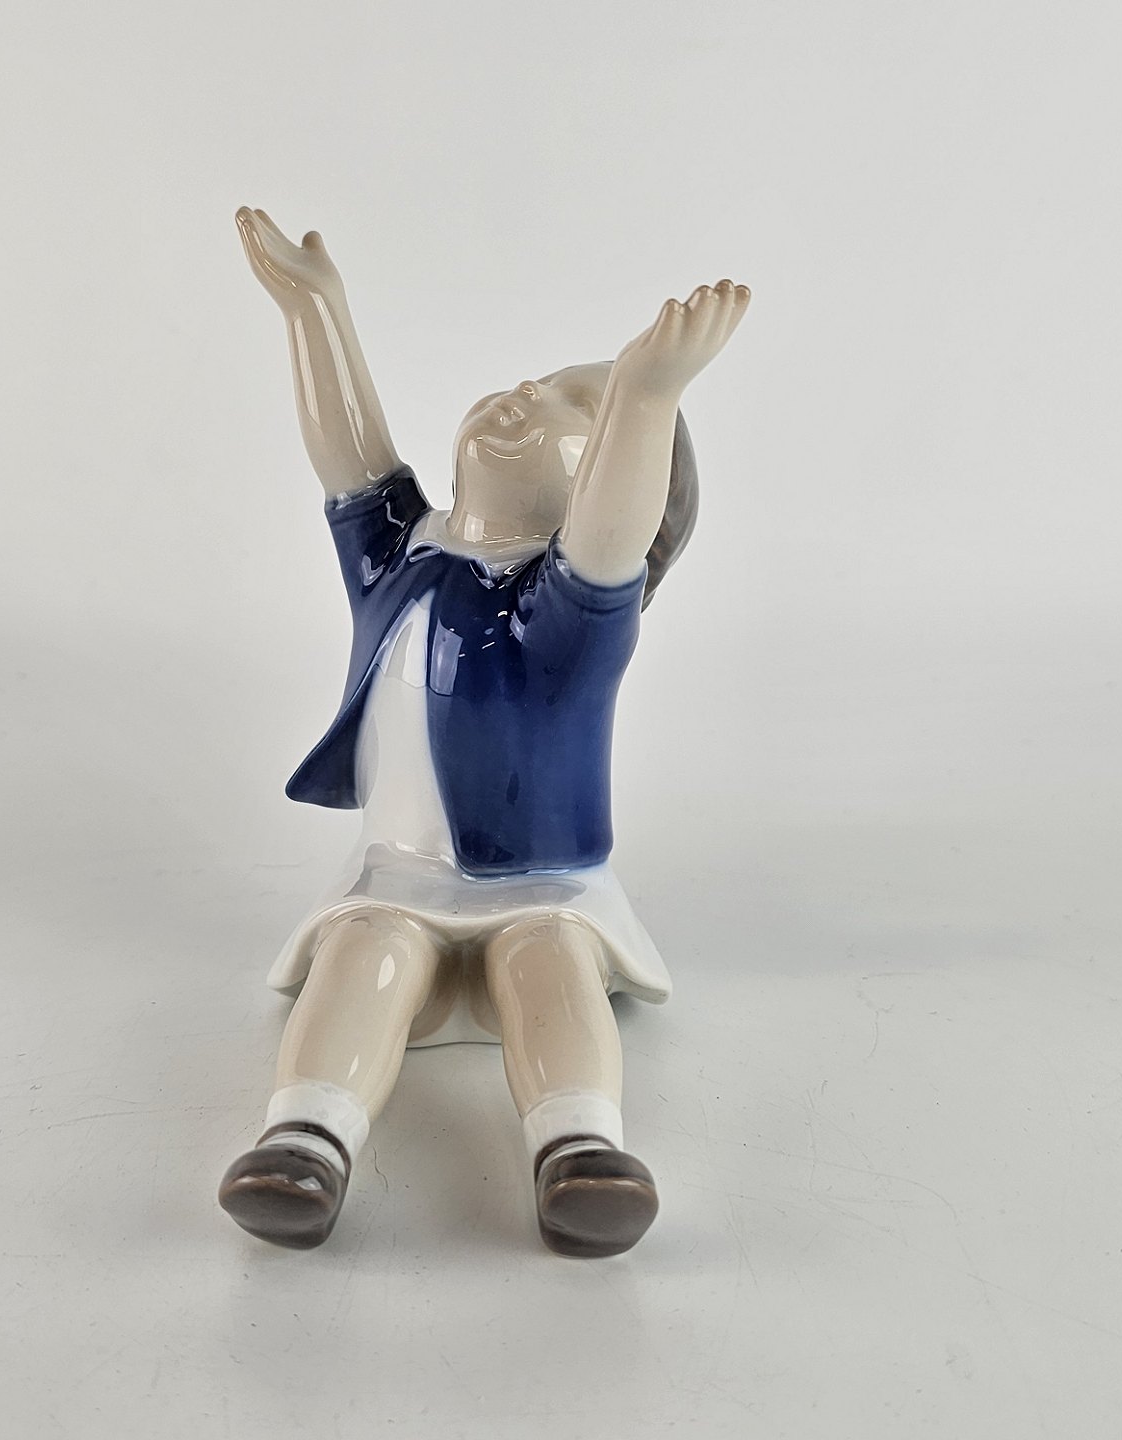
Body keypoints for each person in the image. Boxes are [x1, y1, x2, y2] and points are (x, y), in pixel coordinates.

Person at [219, 208, 748, 1257]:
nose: (528, 395)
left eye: (580, 410)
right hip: (398, 871)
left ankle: (581, 1150)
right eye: (545, 381)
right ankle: (304, 1141)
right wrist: (318, 313)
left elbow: (610, 535)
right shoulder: (402, 554)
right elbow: (351, 459)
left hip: (542, 881)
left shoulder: (567, 618)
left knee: (548, 962)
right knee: (362, 952)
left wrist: (648, 399)